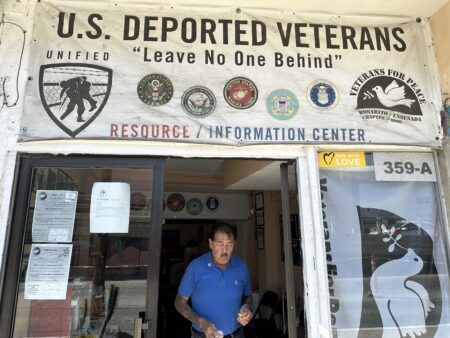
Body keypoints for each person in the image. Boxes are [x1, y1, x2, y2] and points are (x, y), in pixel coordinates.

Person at [175, 223, 253, 338]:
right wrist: (202, 322)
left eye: (229, 244)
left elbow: (248, 296)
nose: (225, 249)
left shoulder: (241, 266)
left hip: (236, 335)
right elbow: (179, 302)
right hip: (202, 335)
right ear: (211, 244)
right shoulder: (195, 267)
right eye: (220, 243)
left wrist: (246, 307)